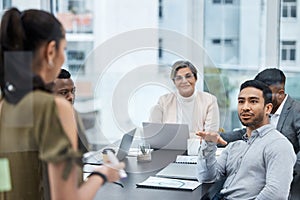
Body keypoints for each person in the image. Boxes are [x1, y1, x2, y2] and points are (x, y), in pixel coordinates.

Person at [0, 8, 124, 200]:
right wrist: (102, 175)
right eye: (63, 49)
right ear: (50, 51)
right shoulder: (55, 108)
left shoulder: (4, 104)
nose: (63, 57)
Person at [196, 80, 296, 199]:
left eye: (253, 101)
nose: (245, 107)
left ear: (268, 108)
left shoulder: (279, 145)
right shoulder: (235, 146)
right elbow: (206, 177)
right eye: (241, 101)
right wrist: (209, 145)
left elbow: (276, 195)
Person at [220, 68, 300, 198]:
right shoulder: (263, 113)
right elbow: (246, 132)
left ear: (280, 94)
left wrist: (284, 170)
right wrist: (218, 138)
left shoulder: (297, 111)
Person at [149, 60, 220, 137]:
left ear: (195, 78)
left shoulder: (210, 101)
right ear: (174, 82)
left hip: (198, 148)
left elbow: (210, 136)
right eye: (179, 78)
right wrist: (195, 136)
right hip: (170, 148)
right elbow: (156, 134)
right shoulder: (164, 101)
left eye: (188, 76)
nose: (184, 81)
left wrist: (174, 136)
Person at [53, 68, 89, 153]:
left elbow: (85, 148)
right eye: (64, 92)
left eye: (73, 91)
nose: (71, 97)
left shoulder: (73, 113)